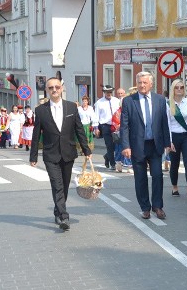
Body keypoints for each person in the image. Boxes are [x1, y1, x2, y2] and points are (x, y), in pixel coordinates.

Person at [30, 77, 92, 231]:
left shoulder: (71, 107)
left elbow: (79, 130)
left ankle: (58, 210)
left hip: (68, 152)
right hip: (50, 154)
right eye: (51, 88)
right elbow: (36, 134)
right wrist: (33, 156)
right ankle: (64, 216)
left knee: (64, 185)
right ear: (47, 90)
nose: (54, 90)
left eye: (57, 87)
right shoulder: (40, 110)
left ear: (62, 88)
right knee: (56, 184)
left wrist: (86, 150)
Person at [121, 72, 171, 220]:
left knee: (157, 176)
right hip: (137, 145)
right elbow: (125, 126)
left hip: (155, 145)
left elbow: (164, 123)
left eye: (144, 82)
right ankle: (145, 207)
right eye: (140, 82)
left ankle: (157, 206)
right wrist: (125, 146)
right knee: (140, 178)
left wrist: (167, 143)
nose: (142, 85)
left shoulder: (160, 100)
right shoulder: (129, 101)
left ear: (151, 84)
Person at [167, 79, 187, 200]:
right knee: (174, 164)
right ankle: (174, 187)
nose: (179, 89)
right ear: (173, 90)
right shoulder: (168, 104)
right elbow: (167, 124)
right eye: (177, 87)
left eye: (181, 87)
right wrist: (169, 141)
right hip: (174, 136)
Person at [94, 85, 120, 170]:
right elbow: (96, 116)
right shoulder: (99, 103)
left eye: (110, 92)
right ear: (104, 93)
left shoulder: (116, 101)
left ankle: (107, 156)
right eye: (107, 92)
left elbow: (120, 112)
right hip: (105, 126)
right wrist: (96, 128)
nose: (109, 94)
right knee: (109, 145)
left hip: (115, 125)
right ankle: (113, 164)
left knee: (116, 145)